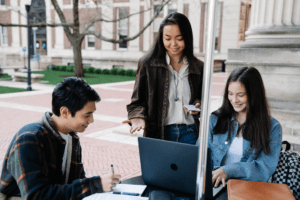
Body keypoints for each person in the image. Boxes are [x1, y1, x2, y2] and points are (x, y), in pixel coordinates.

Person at [0, 77, 121, 200]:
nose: (91, 120)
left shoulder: (72, 137)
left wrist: (98, 186)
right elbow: (36, 196)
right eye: (87, 115)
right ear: (65, 112)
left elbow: (75, 183)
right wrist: (95, 184)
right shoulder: (30, 138)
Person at [123, 12, 204, 144]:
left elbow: (201, 98)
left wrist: (198, 104)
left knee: (189, 166)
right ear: (161, 38)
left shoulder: (198, 66)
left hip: (191, 132)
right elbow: (137, 102)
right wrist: (138, 117)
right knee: (159, 166)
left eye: (179, 38)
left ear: (187, 38)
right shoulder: (147, 64)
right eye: (167, 38)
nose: (173, 44)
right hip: (159, 133)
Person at [198, 67, 282, 190]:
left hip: (246, 189)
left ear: (254, 94)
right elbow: (200, 153)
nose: (234, 100)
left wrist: (228, 171)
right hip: (213, 185)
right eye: (230, 94)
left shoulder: (273, 127)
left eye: (240, 95)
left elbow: (264, 167)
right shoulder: (215, 118)